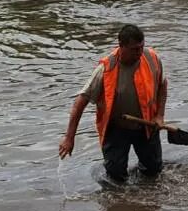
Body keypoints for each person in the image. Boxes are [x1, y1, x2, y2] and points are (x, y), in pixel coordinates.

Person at [59, 24, 168, 183]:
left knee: (153, 171)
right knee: (115, 177)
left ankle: (146, 201)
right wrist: (69, 137)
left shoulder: (152, 58)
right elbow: (80, 101)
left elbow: (162, 86)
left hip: (147, 125)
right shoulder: (106, 68)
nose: (139, 53)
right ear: (121, 46)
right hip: (116, 128)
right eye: (134, 49)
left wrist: (159, 116)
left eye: (141, 47)